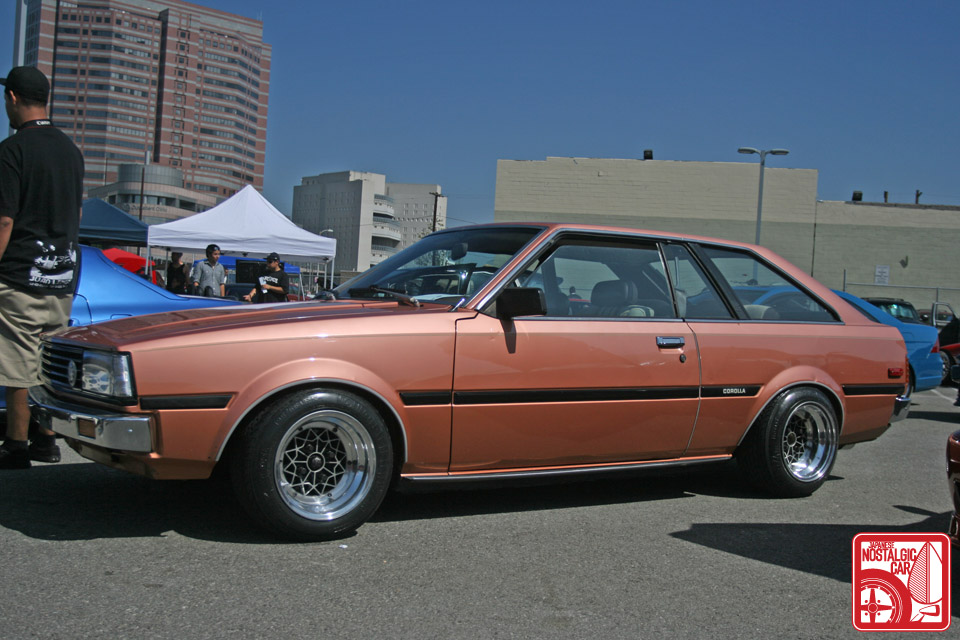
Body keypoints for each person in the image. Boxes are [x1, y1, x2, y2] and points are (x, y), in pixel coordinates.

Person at [0, 66, 84, 469]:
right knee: (49, 361)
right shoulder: (71, 151)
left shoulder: (12, 150)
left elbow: (4, 219)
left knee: (17, 361)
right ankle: (48, 441)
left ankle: (15, 445)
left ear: (13, 98)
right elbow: (77, 214)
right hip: (62, 274)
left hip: (20, 274)